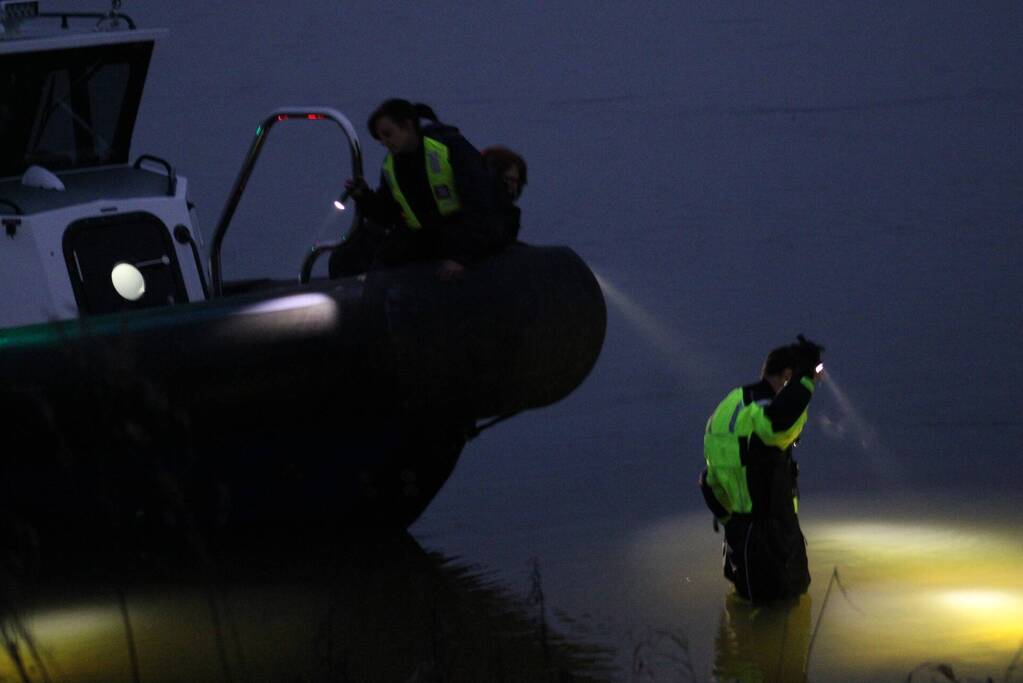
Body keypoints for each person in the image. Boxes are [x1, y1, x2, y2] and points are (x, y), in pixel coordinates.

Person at [699, 335, 824, 602]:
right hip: (770, 537)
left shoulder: (731, 405)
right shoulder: (764, 412)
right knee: (784, 615)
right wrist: (805, 382)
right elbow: (780, 423)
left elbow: (709, 480)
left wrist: (728, 519)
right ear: (787, 375)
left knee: (745, 607)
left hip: (738, 535)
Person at [330, 99, 494, 282]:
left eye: (388, 134)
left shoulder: (451, 148)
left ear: (407, 125)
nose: (385, 142)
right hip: (424, 240)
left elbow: (479, 203)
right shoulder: (392, 166)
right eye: (381, 138)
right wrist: (365, 197)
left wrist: (461, 257)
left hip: (460, 236)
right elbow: (390, 214)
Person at [481, 145, 527, 245]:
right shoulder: (475, 211)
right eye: (508, 179)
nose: (513, 186)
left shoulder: (510, 214)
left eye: (516, 181)